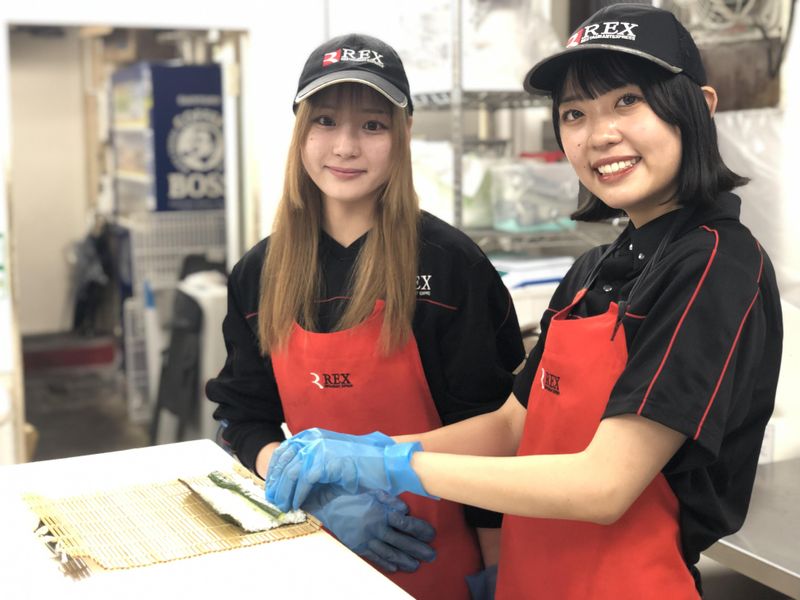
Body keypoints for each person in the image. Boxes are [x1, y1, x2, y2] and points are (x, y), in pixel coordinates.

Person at [264, 5, 784, 599]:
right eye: (575, 113)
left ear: (701, 107)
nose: (599, 133)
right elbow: (514, 426)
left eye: (627, 101)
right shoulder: (595, 270)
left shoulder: (715, 265)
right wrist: (370, 449)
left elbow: (604, 485)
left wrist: (393, 469)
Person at [205, 33, 525, 600]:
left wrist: (495, 577)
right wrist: (314, 494)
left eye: (372, 126)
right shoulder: (259, 273)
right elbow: (243, 417)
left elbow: (500, 435)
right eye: (325, 121)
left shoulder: (452, 269)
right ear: (300, 132)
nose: (345, 147)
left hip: (442, 563)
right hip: (318, 551)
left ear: (402, 136)